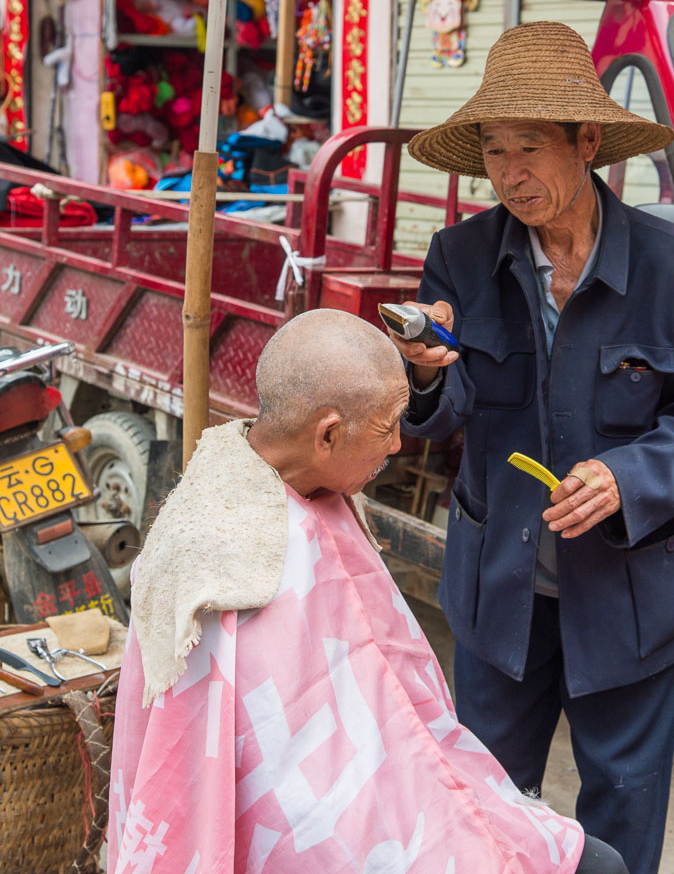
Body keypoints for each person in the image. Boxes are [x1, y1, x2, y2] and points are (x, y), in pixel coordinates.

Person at [386, 21, 674, 874]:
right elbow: (443, 410)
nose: (510, 173)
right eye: (495, 152)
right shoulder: (460, 258)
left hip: (631, 597)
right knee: (487, 806)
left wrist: (627, 475)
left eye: (530, 148)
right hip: (499, 591)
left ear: (588, 142)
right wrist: (425, 375)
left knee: (620, 807)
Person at [107, 308, 627, 874]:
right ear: (327, 434)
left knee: (596, 862)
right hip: (324, 830)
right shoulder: (211, 563)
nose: (399, 445)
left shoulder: (321, 490)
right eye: (387, 427)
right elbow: (214, 781)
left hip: (403, 784)